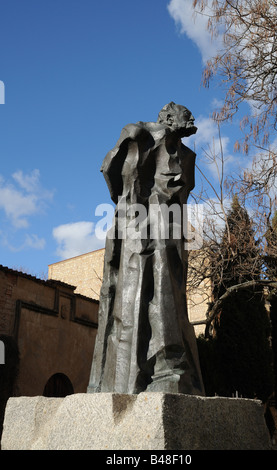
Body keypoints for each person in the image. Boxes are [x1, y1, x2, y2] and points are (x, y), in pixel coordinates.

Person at [88, 102, 205, 395]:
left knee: (170, 292)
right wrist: (131, 203)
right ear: (166, 117)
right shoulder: (140, 134)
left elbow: (181, 190)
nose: (190, 118)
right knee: (142, 293)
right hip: (141, 222)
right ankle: (162, 366)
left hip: (172, 225)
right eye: (184, 114)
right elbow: (110, 169)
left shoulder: (187, 154)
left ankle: (172, 367)